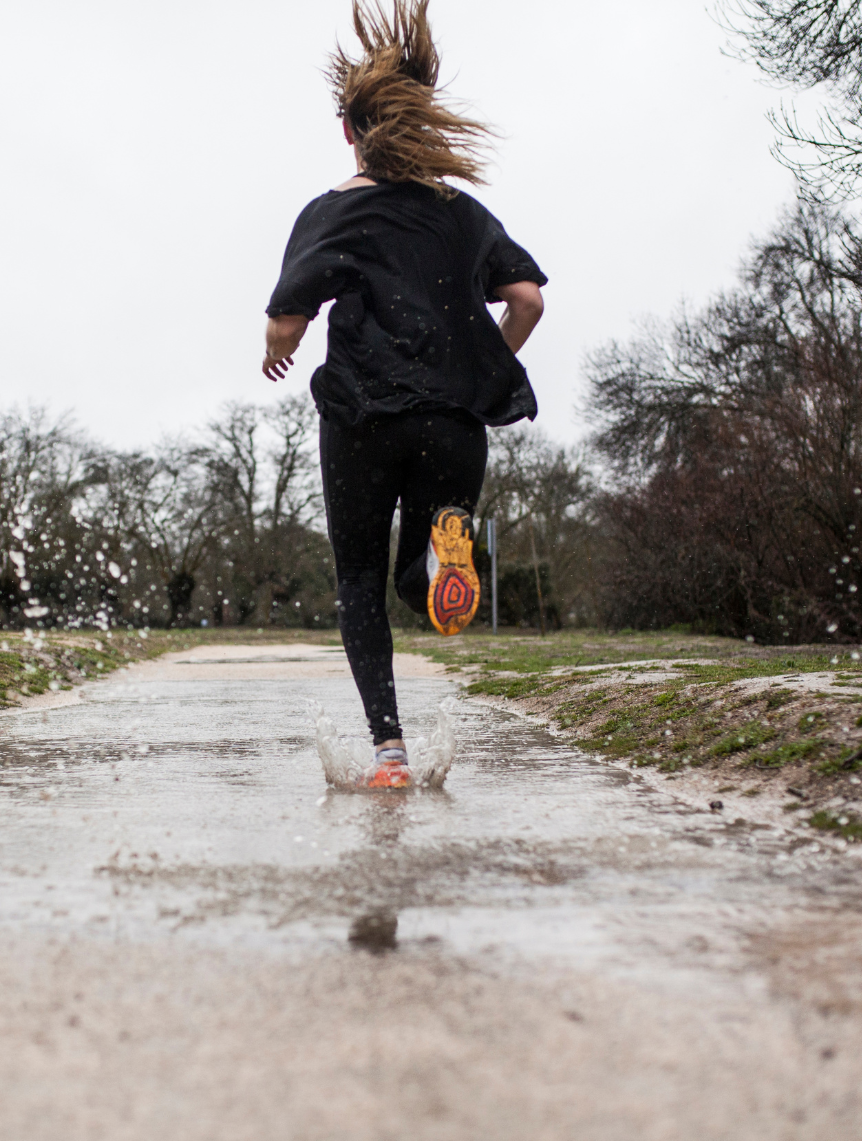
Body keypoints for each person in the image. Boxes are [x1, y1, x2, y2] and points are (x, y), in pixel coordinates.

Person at [262, 0, 546, 788]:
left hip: (361, 414)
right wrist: (482, 362)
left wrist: (273, 350)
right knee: (420, 576)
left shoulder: (332, 212)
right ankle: (449, 545)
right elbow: (527, 300)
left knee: (360, 580)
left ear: (349, 132)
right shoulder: (463, 215)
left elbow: (288, 317)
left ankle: (389, 755)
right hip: (452, 422)